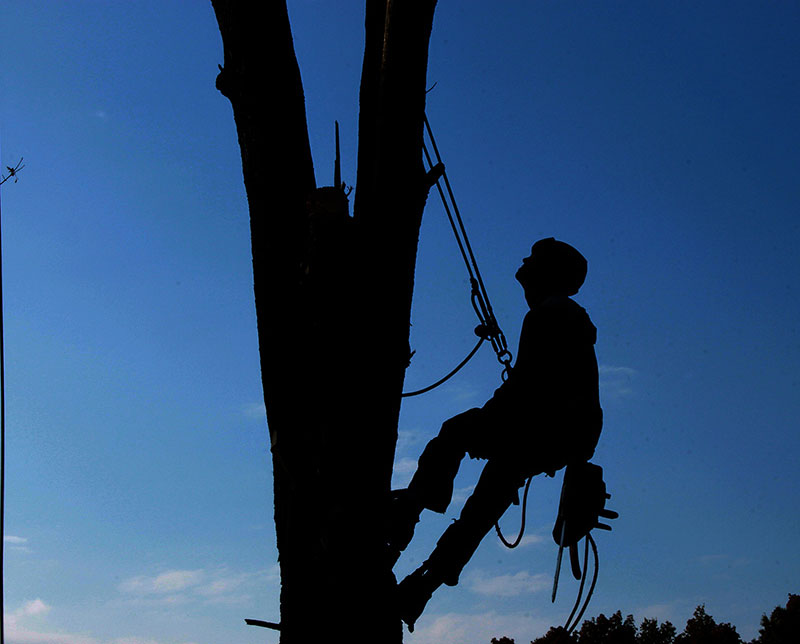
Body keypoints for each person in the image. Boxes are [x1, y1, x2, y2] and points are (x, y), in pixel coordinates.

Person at [389, 237, 603, 632]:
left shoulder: (547, 315)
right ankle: (425, 586)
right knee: (489, 499)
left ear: (547, 274)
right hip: (567, 435)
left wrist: (486, 423)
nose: (523, 261)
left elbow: (526, 388)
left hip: (543, 425)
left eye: (533, 260)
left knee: (455, 432)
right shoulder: (568, 316)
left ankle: (407, 516)